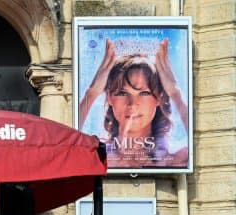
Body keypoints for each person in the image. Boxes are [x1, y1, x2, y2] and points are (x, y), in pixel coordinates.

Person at [78, 38, 188, 168]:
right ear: (109, 97)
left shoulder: (174, 159)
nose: (133, 104)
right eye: (122, 93)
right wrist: (92, 92)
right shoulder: (97, 156)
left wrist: (175, 92)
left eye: (144, 93)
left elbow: (202, 150)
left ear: (159, 98)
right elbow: (64, 148)